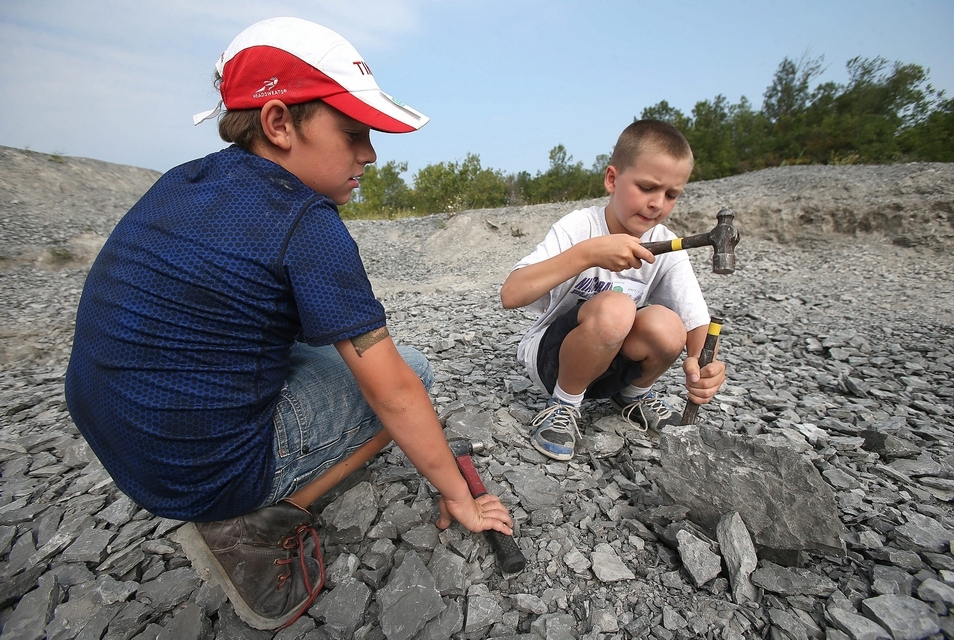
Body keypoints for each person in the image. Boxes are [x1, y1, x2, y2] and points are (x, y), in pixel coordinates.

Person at [64, 17, 512, 631]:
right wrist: (460, 496)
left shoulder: (181, 182)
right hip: (202, 471)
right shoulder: (306, 222)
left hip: (120, 440)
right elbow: (394, 390)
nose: (371, 152)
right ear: (278, 123)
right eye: (353, 131)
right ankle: (251, 524)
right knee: (419, 371)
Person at [500, 119, 726, 461]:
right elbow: (511, 295)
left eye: (671, 195)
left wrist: (704, 367)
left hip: (612, 370)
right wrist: (588, 253)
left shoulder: (666, 243)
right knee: (616, 308)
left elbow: (697, 324)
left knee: (668, 326)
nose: (657, 204)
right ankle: (562, 406)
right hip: (553, 363)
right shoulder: (579, 226)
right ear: (612, 179)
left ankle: (632, 395)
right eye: (647, 187)